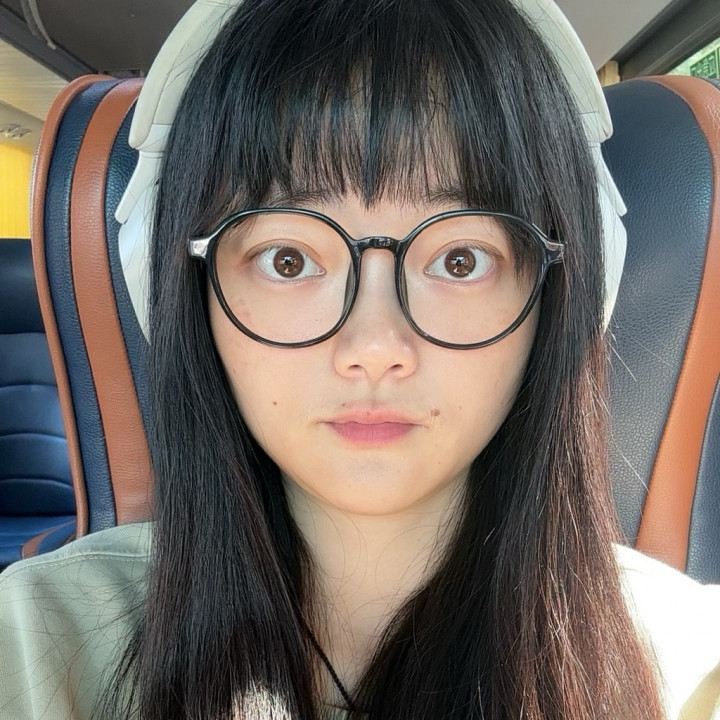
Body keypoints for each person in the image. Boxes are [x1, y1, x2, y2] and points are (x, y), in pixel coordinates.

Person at [1, 0, 719, 718]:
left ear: (554, 302)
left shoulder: (689, 666)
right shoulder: (36, 641)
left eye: (461, 259)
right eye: (287, 259)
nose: (375, 348)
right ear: (193, 299)